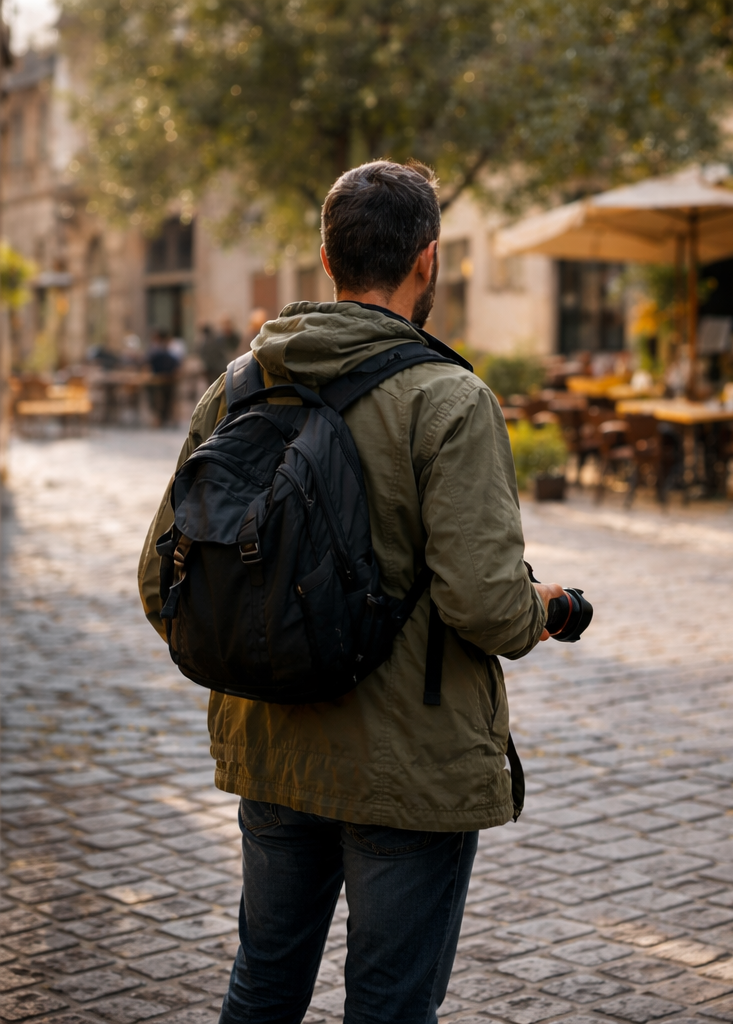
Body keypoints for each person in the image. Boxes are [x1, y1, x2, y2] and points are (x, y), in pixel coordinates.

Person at [137, 160, 565, 1024]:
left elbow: (161, 581)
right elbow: (485, 604)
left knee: (263, 980)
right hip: (408, 761)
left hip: (274, 741)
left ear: (326, 259)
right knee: (389, 1004)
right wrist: (546, 609)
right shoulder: (448, 398)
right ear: (429, 261)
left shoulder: (241, 384)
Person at [146, 329, 180, 427]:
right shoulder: (167, 350)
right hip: (165, 380)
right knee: (164, 397)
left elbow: (148, 365)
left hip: (164, 381)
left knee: (155, 395)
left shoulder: (160, 351)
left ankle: (161, 416)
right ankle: (163, 416)